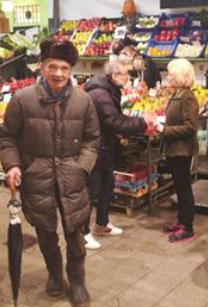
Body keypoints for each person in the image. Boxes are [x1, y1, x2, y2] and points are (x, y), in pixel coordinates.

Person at [0, 39, 100, 307]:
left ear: (71, 70)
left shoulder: (83, 100)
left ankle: (77, 281)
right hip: (37, 177)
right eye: (52, 66)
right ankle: (55, 275)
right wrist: (12, 165)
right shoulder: (23, 100)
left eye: (64, 68)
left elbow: (92, 139)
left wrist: (82, 168)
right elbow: (7, 138)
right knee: (45, 233)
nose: (58, 73)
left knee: (76, 234)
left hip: (72, 178)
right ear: (41, 66)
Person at [83, 59, 152, 249]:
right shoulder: (100, 94)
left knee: (107, 185)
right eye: (125, 74)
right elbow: (114, 121)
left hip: (105, 147)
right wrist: (142, 122)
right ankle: (82, 233)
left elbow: (116, 118)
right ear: (114, 76)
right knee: (91, 190)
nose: (128, 77)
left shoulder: (108, 90)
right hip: (95, 148)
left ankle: (101, 225)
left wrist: (136, 120)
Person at [154, 58, 198, 243]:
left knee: (184, 188)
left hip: (182, 150)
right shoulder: (177, 94)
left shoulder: (187, 96)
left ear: (180, 76)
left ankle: (187, 227)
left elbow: (190, 127)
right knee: (179, 187)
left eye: (171, 74)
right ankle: (181, 220)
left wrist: (165, 130)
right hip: (174, 149)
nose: (168, 77)